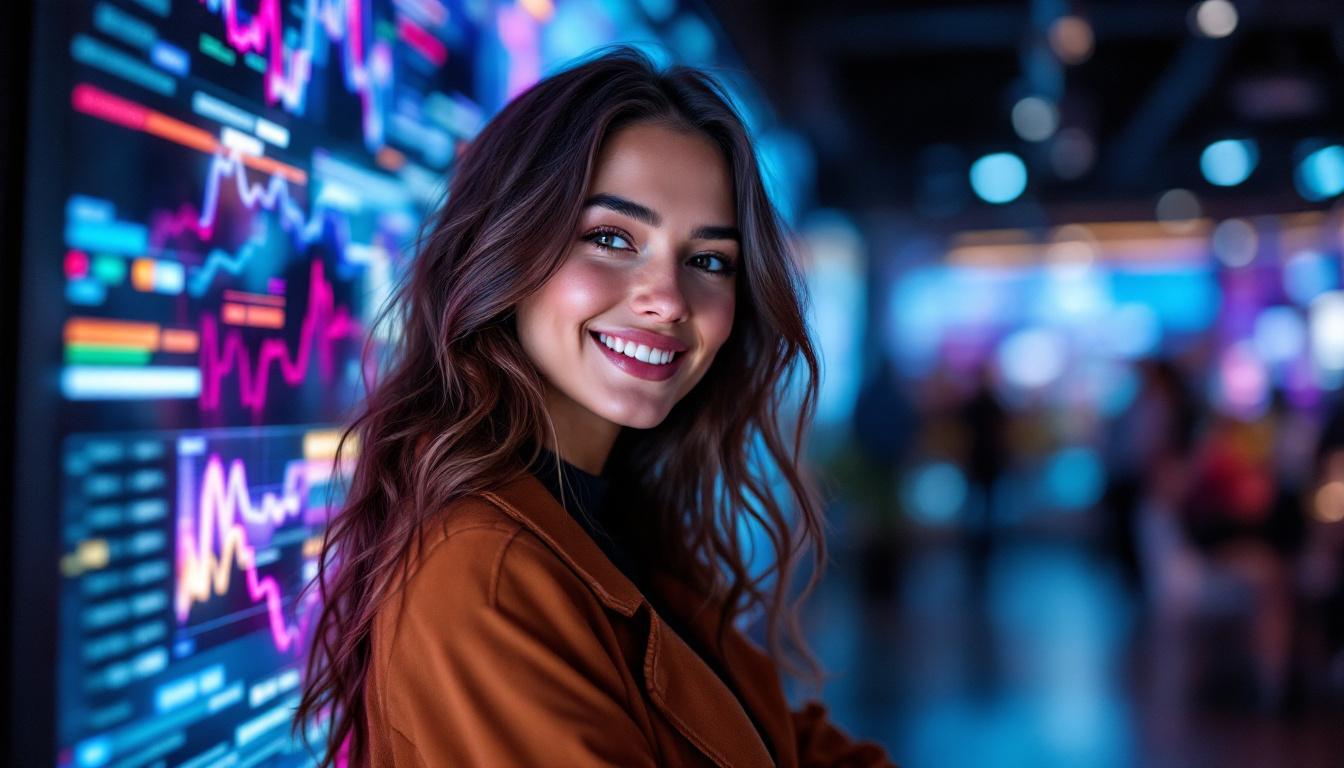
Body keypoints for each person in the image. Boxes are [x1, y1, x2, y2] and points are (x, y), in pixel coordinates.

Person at [293, 47, 896, 767]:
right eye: (611, 239)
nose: (668, 300)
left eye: (709, 260)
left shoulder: (619, 529)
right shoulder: (488, 572)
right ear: (505, 250)